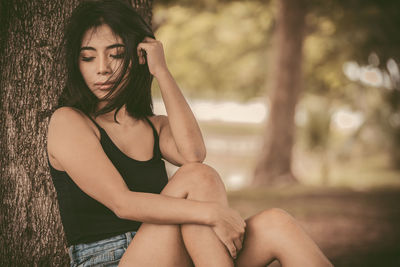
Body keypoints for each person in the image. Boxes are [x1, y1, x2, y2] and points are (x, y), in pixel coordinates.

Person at [46, 0, 333, 266]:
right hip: (109, 259)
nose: (102, 69)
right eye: (88, 57)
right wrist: (212, 214)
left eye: (116, 54)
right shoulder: (69, 122)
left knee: (276, 224)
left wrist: (162, 72)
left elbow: (193, 154)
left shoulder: (152, 126)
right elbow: (122, 203)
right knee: (198, 177)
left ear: (138, 56)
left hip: (176, 253)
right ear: (77, 63)